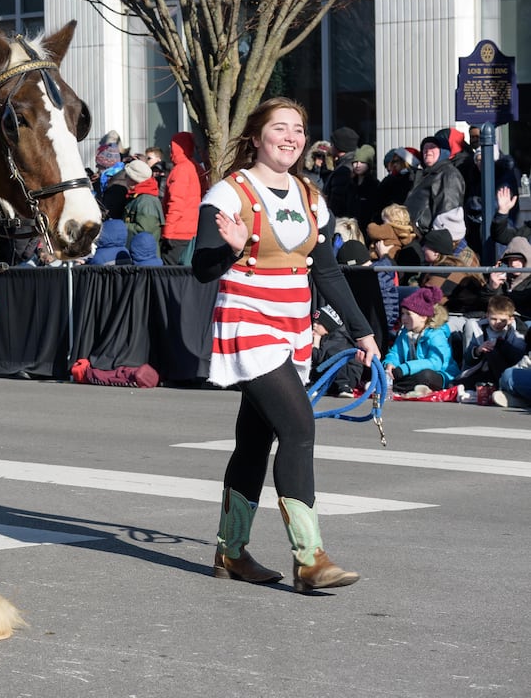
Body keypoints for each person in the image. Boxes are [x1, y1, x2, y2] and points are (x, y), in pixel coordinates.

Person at [192, 97, 379, 592]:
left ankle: (230, 553)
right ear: (256, 136)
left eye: (298, 128)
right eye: (280, 127)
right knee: (298, 429)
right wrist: (231, 250)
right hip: (248, 328)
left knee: (255, 442)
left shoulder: (310, 196)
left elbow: (328, 271)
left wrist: (363, 332)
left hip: (294, 332)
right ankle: (310, 558)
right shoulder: (229, 193)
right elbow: (201, 267)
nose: (291, 136)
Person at [382, 285, 456, 395]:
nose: (404, 318)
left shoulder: (436, 334)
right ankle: (397, 386)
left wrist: (405, 368)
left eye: (408, 314)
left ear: (423, 317)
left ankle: (391, 387)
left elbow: (435, 363)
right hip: (411, 372)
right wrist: (390, 363)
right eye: (402, 314)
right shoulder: (404, 333)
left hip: (441, 374)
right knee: (385, 371)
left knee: (425, 376)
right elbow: (395, 353)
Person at [458, 295, 527, 393]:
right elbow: (468, 359)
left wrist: (501, 345)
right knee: (458, 383)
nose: (497, 323)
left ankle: (504, 387)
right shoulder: (480, 329)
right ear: (487, 316)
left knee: (493, 350)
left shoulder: (517, 331)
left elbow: (520, 358)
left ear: (511, 319)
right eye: (494, 319)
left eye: (503, 320)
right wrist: (478, 350)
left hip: (508, 369)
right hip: (484, 370)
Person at [406, 135, 464, 238]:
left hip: (428, 238)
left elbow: (448, 212)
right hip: (415, 233)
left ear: (443, 151)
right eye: (425, 148)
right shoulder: (425, 175)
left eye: (432, 147)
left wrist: (435, 240)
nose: (428, 151)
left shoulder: (448, 174)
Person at [162, 131, 202, 265]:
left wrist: (168, 232)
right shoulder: (196, 168)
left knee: (171, 275)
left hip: (178, 232)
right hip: (193, 231)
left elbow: (176, 203)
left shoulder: (181, 170)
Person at [121, 157, 163, 248]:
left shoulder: (146, 201)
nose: (125, 179)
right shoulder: (138, 196)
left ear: (133, 179)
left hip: (143, 254)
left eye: (126, 176)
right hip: (138, 250)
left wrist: (121, 226)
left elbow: (145, 229)